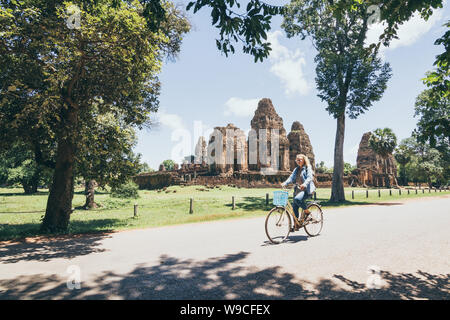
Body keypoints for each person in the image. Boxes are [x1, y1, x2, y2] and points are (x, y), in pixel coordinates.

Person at [281, 154, 316, 227]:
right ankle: (297, 224)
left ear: (304, 160)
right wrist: (285, 183)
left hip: (307, 190)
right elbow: (291, 178)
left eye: (300, 159)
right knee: (294, 208)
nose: (299, 161)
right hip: (297, 190)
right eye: (297, 160)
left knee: (297, 199)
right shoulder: (296, 169)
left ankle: (308, 213)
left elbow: (309, 177)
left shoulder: (307, 167)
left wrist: (305, 184)